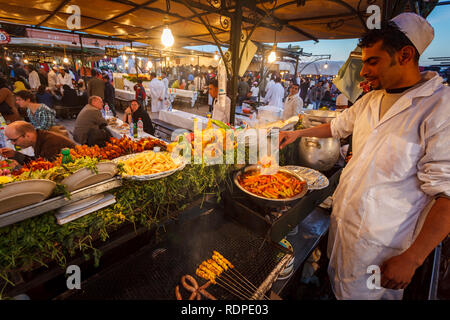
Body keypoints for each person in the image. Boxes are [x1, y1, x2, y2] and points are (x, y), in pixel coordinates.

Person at [279, 13, 450, 300]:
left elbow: (446, 196)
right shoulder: (371, 100)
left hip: (382, 248)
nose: (363, 73)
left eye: (373, 61)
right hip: (344, 230)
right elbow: (336, 126)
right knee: (336, 287)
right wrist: (297, 134)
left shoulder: (439, 108)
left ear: (405, 55)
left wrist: (414, 258)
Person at [0, 121, 75, 165]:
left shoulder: (50, 143)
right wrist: (14, 154)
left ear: (27, 135)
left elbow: (47, 169)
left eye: (14, 140)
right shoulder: (40, 138)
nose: (13, 143)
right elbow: (39, 162)